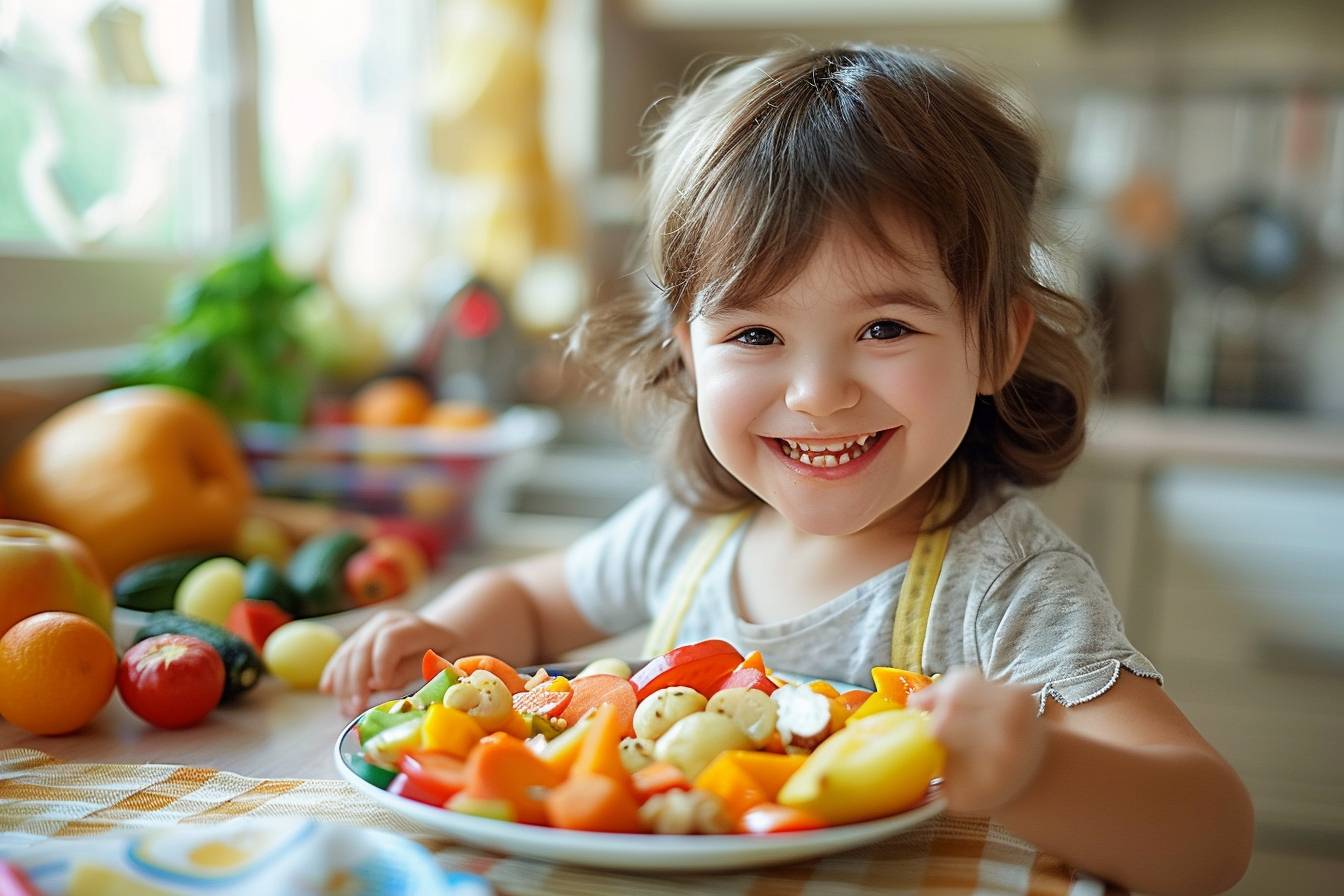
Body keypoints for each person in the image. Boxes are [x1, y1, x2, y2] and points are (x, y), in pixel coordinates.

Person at [322, 44, 1252, 894]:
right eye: (756, 334)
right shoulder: (687, 532)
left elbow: (1209, 836)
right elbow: (529, 601)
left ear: (995, 342)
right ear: (689, 354)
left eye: (885, 329)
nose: (817, 393)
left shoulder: (1006, 588)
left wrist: (1039, 774)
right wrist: (439, 632)